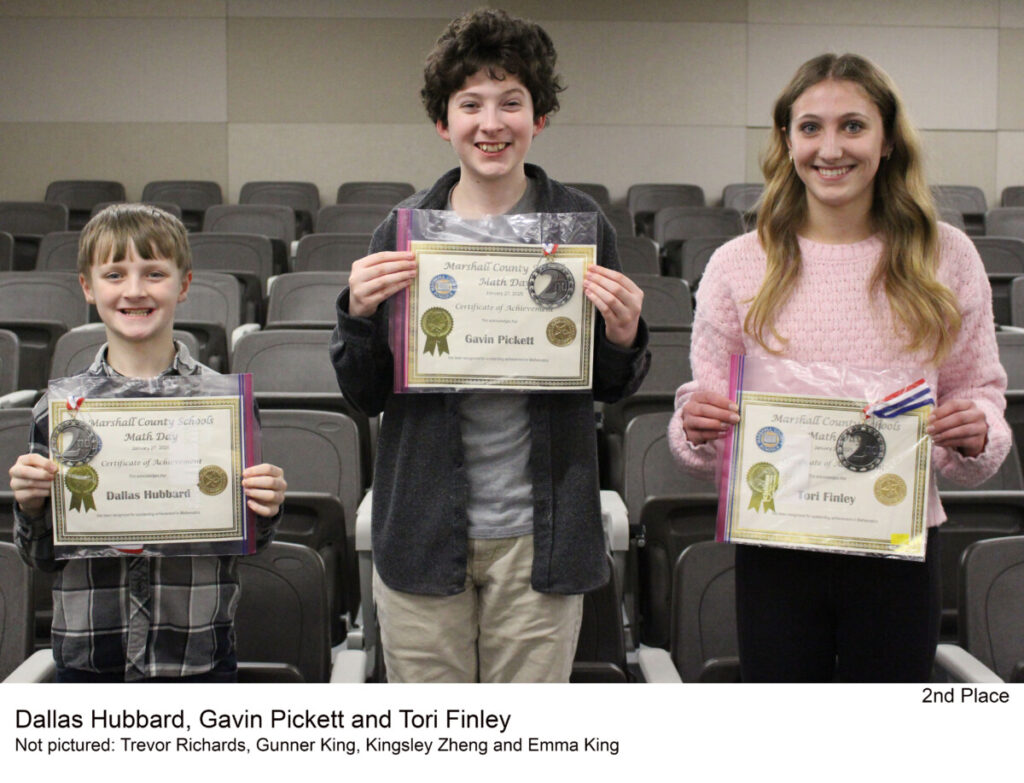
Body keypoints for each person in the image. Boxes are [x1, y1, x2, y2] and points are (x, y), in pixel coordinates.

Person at [330, 7, 650, 683]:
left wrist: (622, 337)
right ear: (444, 122)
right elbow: (364, 393)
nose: (492, 122)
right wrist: (358, 314)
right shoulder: (402, 229)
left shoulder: (580, 224)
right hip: (422, 528)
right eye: (470, 103)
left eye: (512, 102)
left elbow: (611, 387)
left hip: (544, 536)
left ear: (540, 117)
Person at [668, 53, 1010, 682]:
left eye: (853, 126)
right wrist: (693, 424)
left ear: (886, 143)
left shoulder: (946, 256)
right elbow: (704, 408)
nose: (831, 148)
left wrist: (979, 428)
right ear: (786, 141)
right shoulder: (738, 264)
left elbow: (981, 392)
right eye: (810, 128)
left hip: (898, 547)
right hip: (776, 544)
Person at [8, 204, 287, 683]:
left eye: (154, 273)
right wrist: (32, 506)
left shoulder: (224, 406)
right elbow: (40, 558)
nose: (134, 290)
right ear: (87, 287)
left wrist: (264, 506)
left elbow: (245, 545)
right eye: (114, 274)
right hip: (91, 657)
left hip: (196, 654)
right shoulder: (56, 411)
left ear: (182, 284)